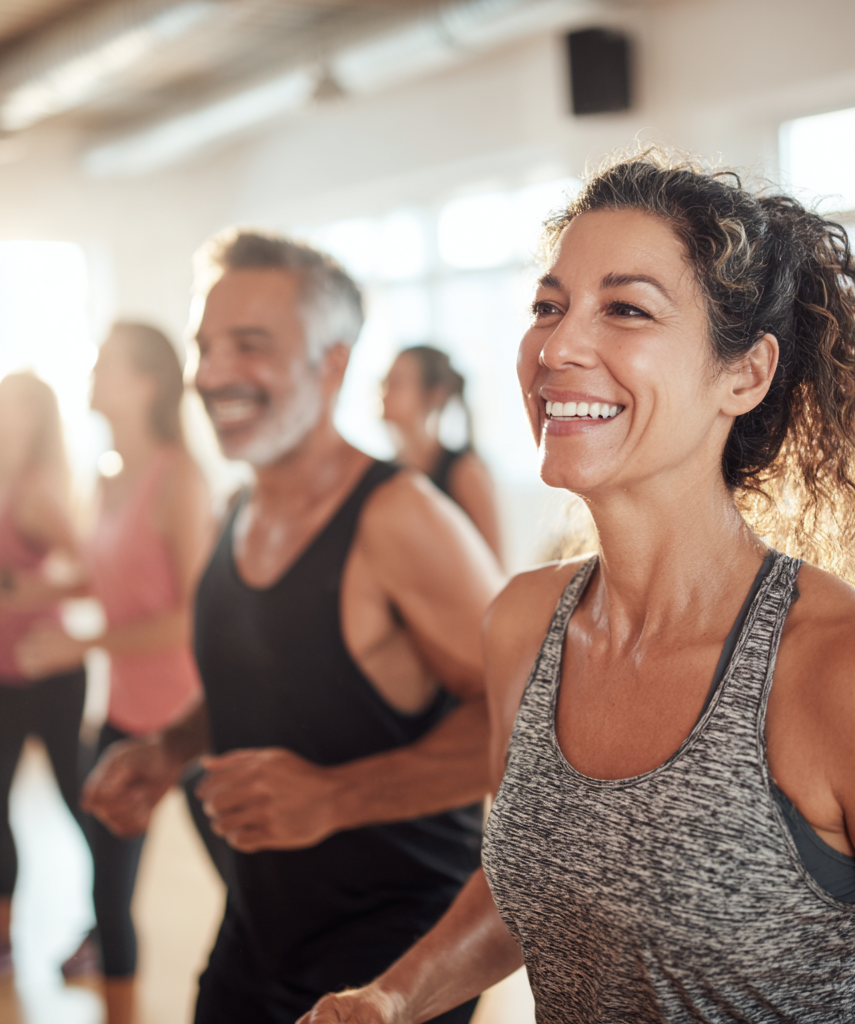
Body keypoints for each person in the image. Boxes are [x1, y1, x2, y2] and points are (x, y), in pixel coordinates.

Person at [300, 151, 855, 1024]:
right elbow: (535, 878)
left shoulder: (853, 670)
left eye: (627, 309)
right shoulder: (523, 624)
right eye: (548, 306)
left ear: (743, 375)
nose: (557, 347)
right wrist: (390, 997)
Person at [81, 232, 504, 1024]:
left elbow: (527, 725)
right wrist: (173, 748)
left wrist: (337, 796)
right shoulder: (240, 508)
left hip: (393, 958)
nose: (211, 374)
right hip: (258, 930)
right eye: (205, 347)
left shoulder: (401, 518)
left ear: (332, 364)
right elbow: (272, 680)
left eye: (251, 345)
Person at [18, 322, 213, 1024]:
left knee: (246, 888)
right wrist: (35, 597)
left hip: (191, 724)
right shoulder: (106, 477)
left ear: (147, 384)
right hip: (122, 718)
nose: (92, 376)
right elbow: (104, 580)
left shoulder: (180, 478)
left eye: (106, 365)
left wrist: (82, 646)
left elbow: (191, 614)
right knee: (107, 896)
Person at [0, 372, 86, 979]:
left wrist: (34, 587)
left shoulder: (34, 494)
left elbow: (90, 567)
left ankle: (105, 922)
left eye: (17, 409)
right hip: (3, 674)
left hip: (50, 670)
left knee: (78, 796)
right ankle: (4, 938)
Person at [381, 346, 502, 562]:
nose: (383, 391)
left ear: (434, 395)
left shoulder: (466, 471)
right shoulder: (383, 472)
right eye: (384, 382)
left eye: (396, 383)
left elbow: (496, 568)